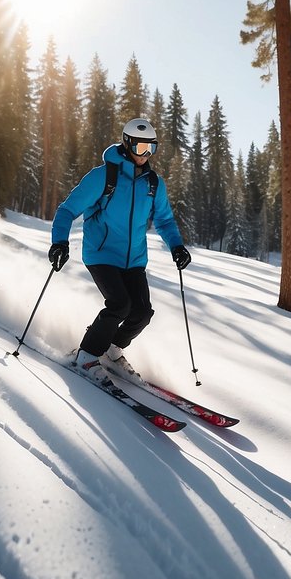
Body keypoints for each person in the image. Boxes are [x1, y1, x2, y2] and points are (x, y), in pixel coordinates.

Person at [49, 118, 191, 384]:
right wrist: (60, 242)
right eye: (140, 148)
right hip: (101, 254)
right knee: (120, 305)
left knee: (142, 312)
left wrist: (177, 246)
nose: (145, 155)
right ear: (127, 145)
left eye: (151, 148)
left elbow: (164, 220)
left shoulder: (153, 184)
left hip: (134, 259)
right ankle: (87, 354)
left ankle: (112, 350)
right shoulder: (104, 176)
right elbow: (67, 210)